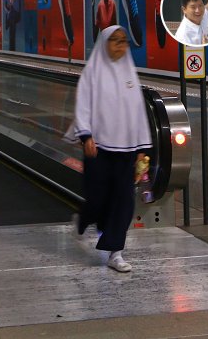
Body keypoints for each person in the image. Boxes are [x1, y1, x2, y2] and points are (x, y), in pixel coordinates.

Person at [66, 25, 152, 273]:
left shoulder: (129, 73)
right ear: (104, 44)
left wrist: (143, 147)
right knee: (98, 197)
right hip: (99, 147)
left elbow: (138, 111)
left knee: (124, 200)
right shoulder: (92, 73)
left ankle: (116, 251)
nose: (120, 45)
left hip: (127, 148)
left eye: (124, 41)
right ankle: (85, 217)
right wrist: (86, 135)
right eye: (115, 41)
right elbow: (82, 106)